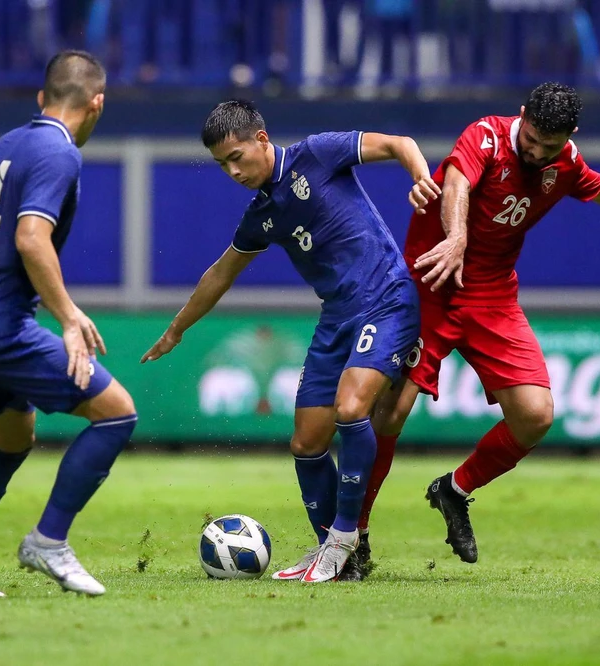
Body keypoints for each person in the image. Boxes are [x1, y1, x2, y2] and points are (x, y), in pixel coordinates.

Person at [360, 82, 600, 571]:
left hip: (492, 297)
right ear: (522, 116)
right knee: (389, 415)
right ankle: (354, 536)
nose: (535, 152)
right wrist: (457, 237)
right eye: (531, 139)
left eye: (548, 146)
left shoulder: (565, 162)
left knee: (535, 416)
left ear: (569, 136)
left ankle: (454, 490)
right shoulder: (486, 136)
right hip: (431, 284)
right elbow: (457, 184)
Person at [141, 100, 437, 583]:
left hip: (386, 299)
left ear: (261, 139)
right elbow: (220, 274)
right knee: (306, 442)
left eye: (237, 157)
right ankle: (335, 553)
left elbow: (398, 143)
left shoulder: (316, 154)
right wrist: (177, 328)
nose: (233, 172)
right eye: (222, 165)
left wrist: (421, 177)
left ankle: (346, 536)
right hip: (336, 317)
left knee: (350, 410)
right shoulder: (262, 214)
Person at [0, 50, 138, 598]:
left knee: (12, 438)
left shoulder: (11, 142)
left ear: (42, 97)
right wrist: (69, 317)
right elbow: (31, 238)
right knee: (116, 413)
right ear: (97, 103)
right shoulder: (60, 152)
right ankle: (49, 541)